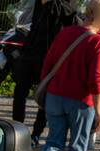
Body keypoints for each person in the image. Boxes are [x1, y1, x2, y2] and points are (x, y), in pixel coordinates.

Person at [38, 0, 100, 151]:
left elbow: (48, 64)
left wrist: (48, 88)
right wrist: (99, 112)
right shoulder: (98, 42)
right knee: (77, 147)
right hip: (80, 101)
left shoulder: (66, 33)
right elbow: (96, 80)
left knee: (53, 143)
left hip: (55, 96)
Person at [13, 0, 80, 143]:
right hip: (31, 51)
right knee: (19, 91)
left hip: (50, 56)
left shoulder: (64, 6)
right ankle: (17, 128)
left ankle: (36, 133)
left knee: (44, 96)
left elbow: (72, 21)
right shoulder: (38, 4)